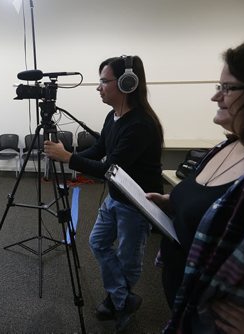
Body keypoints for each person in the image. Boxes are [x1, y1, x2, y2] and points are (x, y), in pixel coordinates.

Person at [149, 30, 244, 333]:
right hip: (189, 306)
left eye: (227, 88)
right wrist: (175, 204)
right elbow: (215, 205)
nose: (215, 96)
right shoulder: (228, 145)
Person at [44, 55, 164, 331]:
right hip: (117, 196)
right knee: (98, 242)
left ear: (126, 83)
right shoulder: (114, 116)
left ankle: (118, 302)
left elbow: (109, 168)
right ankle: (124, 299)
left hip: (138, 202)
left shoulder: (140, 125)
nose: (99, 87)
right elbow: (99, 151)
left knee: (128, 259)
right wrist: (70, 156)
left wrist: (67, 159)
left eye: (103, 81)